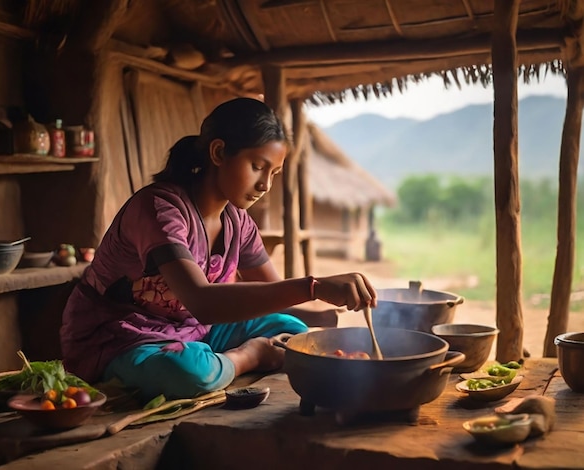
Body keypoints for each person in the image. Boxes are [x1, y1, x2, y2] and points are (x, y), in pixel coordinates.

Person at [60, 97, 377, 402]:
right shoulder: (159, 209)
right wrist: (315, 287)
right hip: (123, 338)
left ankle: (220, 360)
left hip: (195, 331)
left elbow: (269, 297)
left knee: (294, 332)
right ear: (218, 152)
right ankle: (243, 359)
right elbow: (202, 302)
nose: (265, 184)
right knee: (189, 372)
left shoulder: (239, 223)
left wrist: (323, 315)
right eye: (257, 166)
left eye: (274, 173)